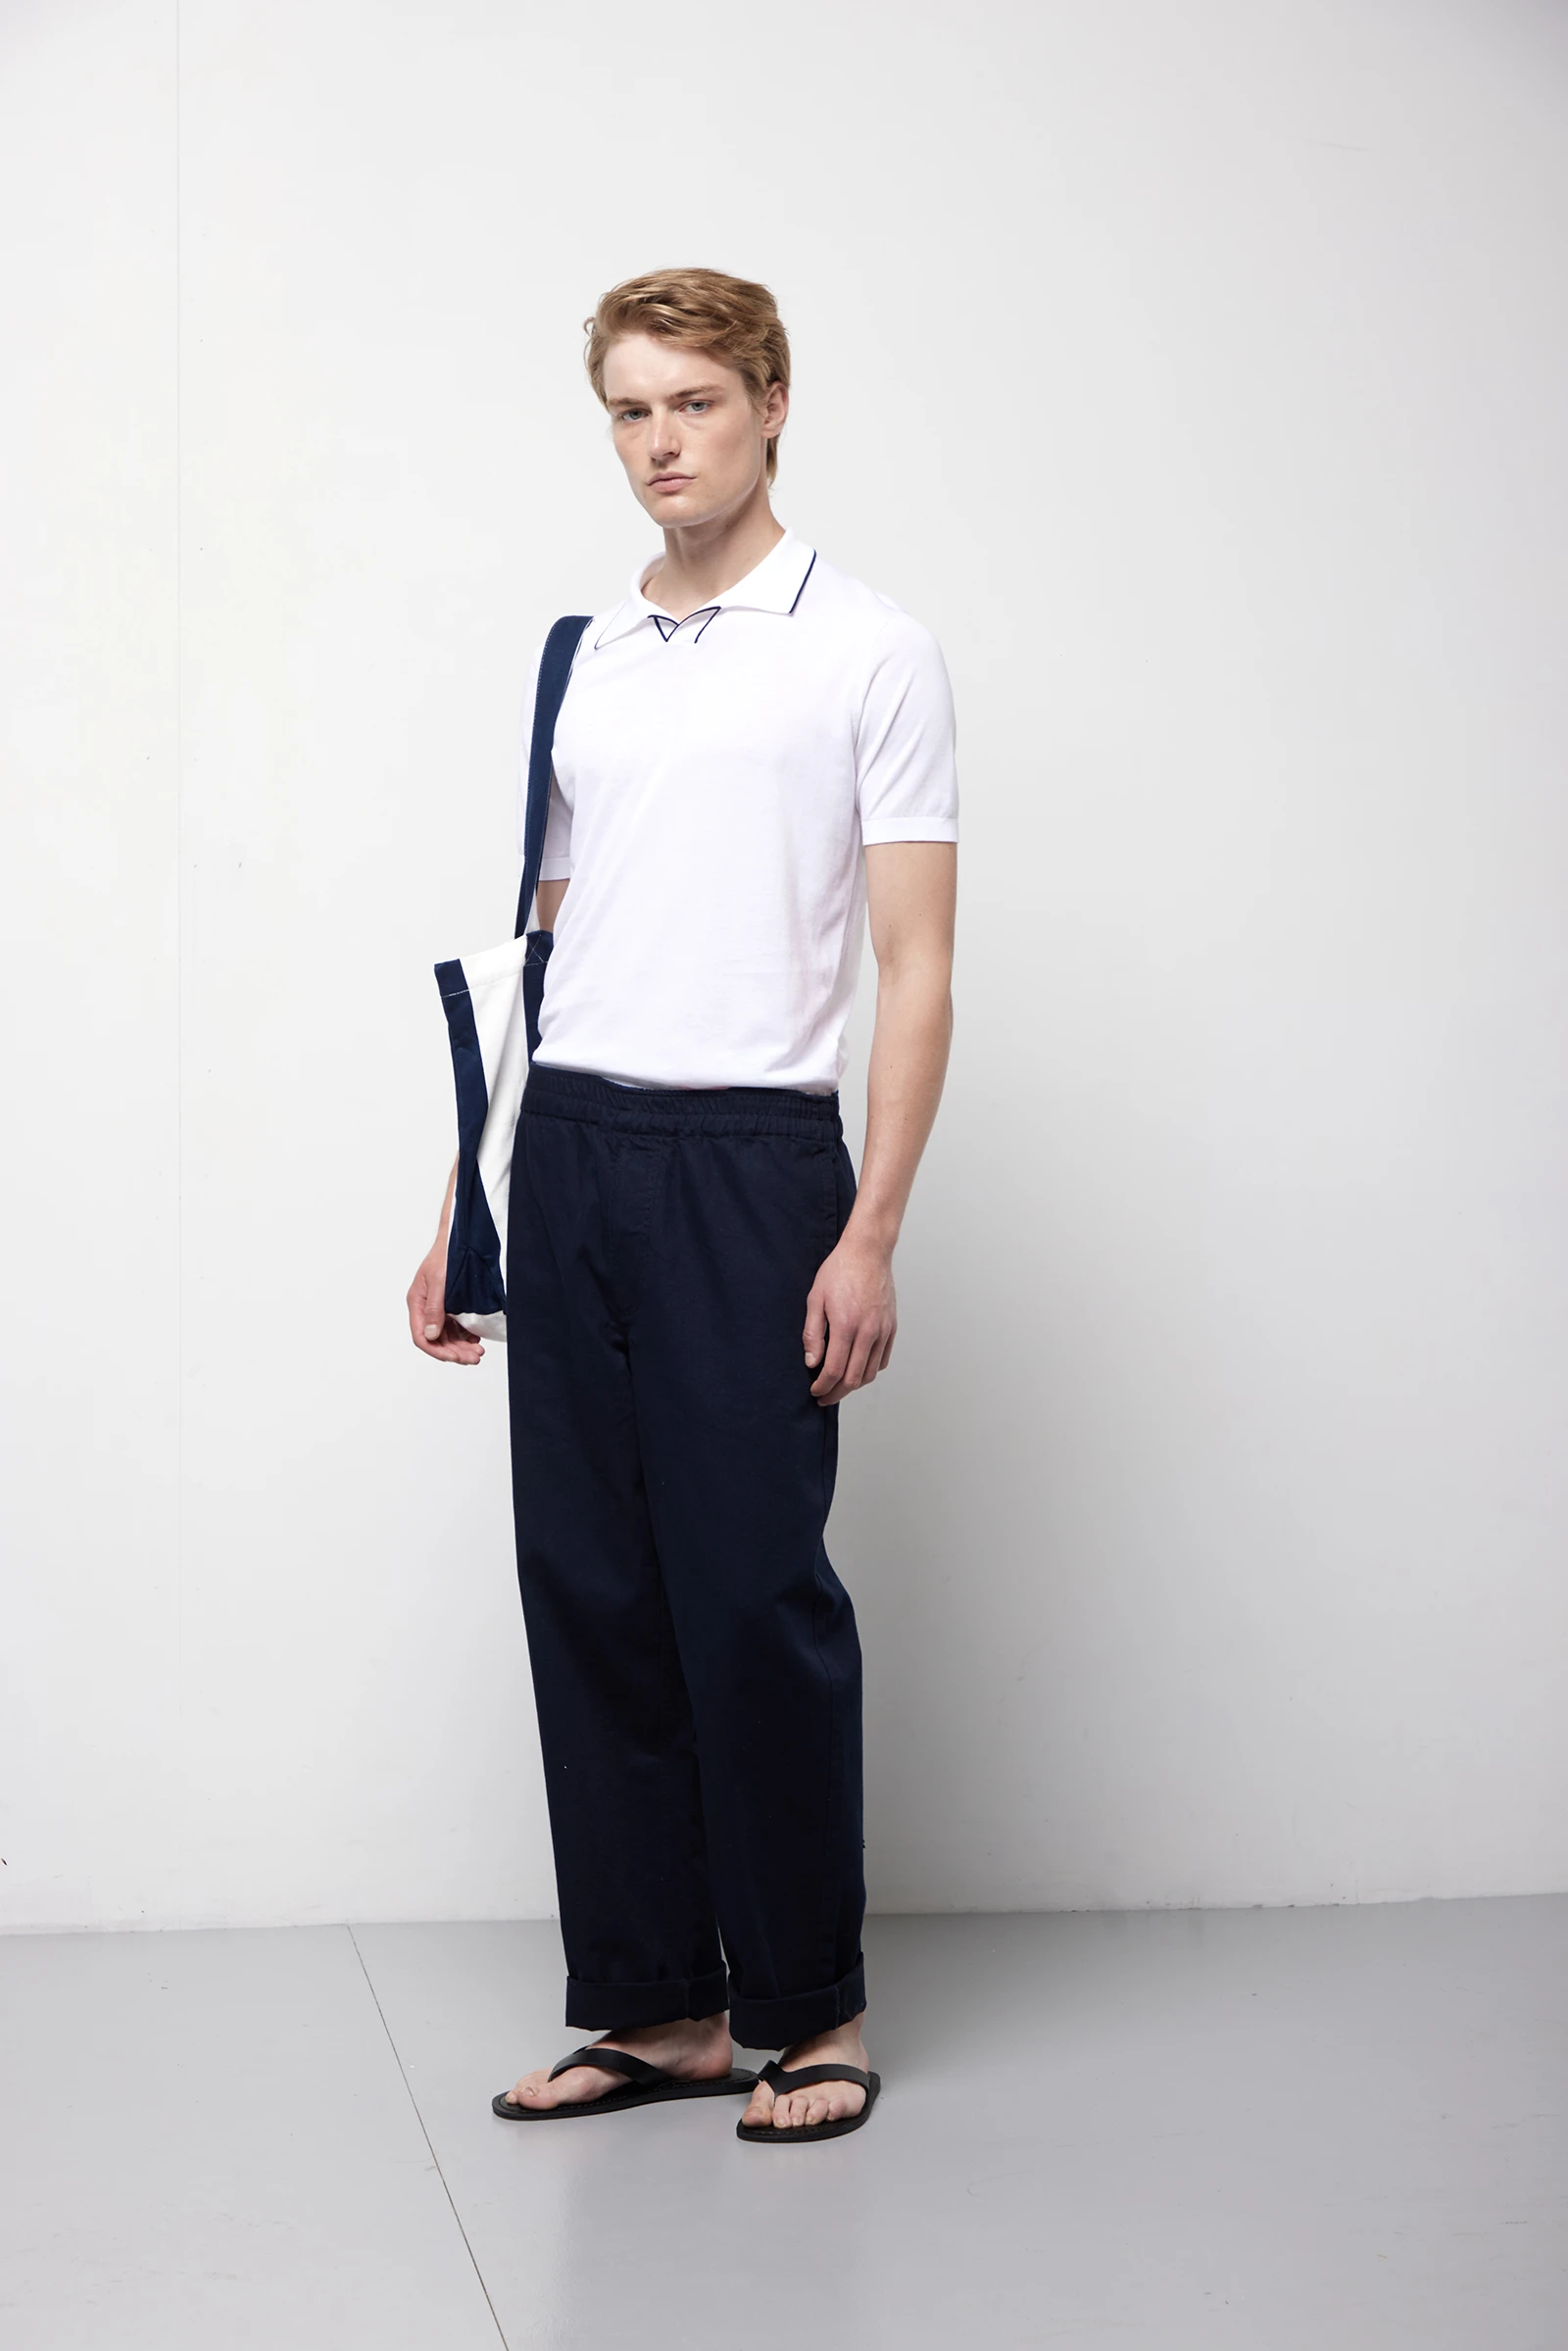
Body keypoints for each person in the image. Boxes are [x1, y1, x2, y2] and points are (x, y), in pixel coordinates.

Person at [406, 268, 957, 2142]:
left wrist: (870, 1227)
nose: (661, 442)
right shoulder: (587, 657)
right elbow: (546, 945)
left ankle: (813, 2004)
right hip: (571, 1152)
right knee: (593, 1590)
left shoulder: (868, 649)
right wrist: (469, 1196)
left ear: (772, 403)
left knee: (753, 1595)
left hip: (752, 1165)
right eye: (632, 411)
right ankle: (657, 2003)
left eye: (695, 403)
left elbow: (917, 962)